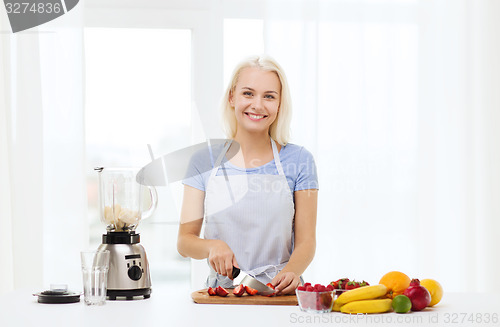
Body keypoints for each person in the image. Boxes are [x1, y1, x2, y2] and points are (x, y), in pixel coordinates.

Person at [177, 55, 318, 295]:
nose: (258, 105)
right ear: (232, 97)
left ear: (280, 104)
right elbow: (184, 241)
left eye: (269, 96)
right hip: (223, 295)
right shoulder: (202, 161)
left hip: (279, 294)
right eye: (248, 93)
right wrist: (213, 246)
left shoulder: (299, 161)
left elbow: (306, 242)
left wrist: (291, 272)